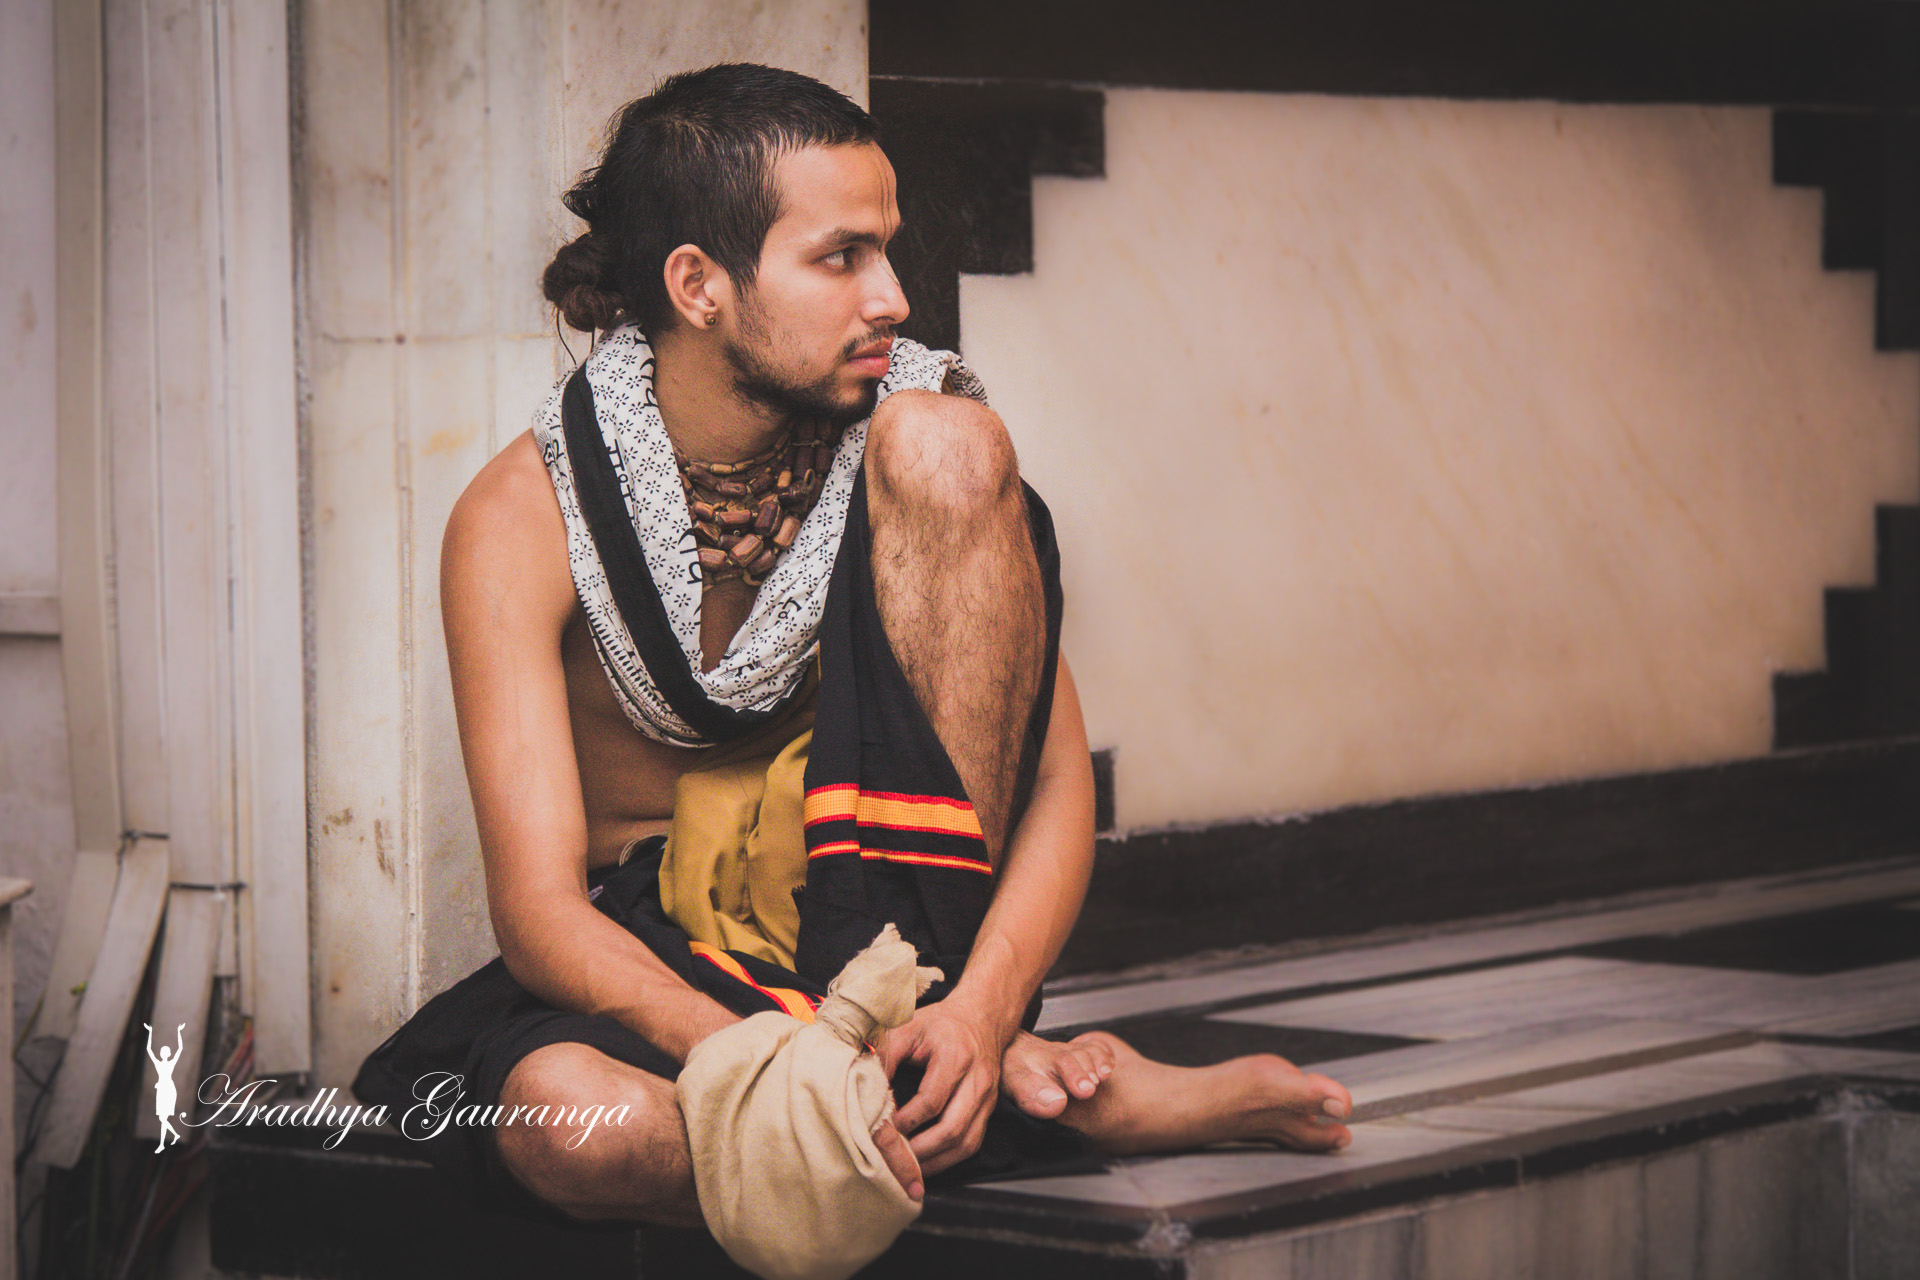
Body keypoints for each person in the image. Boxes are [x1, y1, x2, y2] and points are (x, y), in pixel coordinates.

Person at [353, 62, 1352, 1232]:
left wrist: (979, 1010)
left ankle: (944, 1074)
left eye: (888, 249)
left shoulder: (922, 445)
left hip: (895, 946)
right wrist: (769, 1059)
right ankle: (1041, 1101)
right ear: (698, 285)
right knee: (577, 1123)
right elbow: (539, 914)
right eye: (842, 258)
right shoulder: (524, 514)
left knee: (952, 443)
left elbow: (1052, 787)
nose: (892, 297)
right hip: (667, 972)